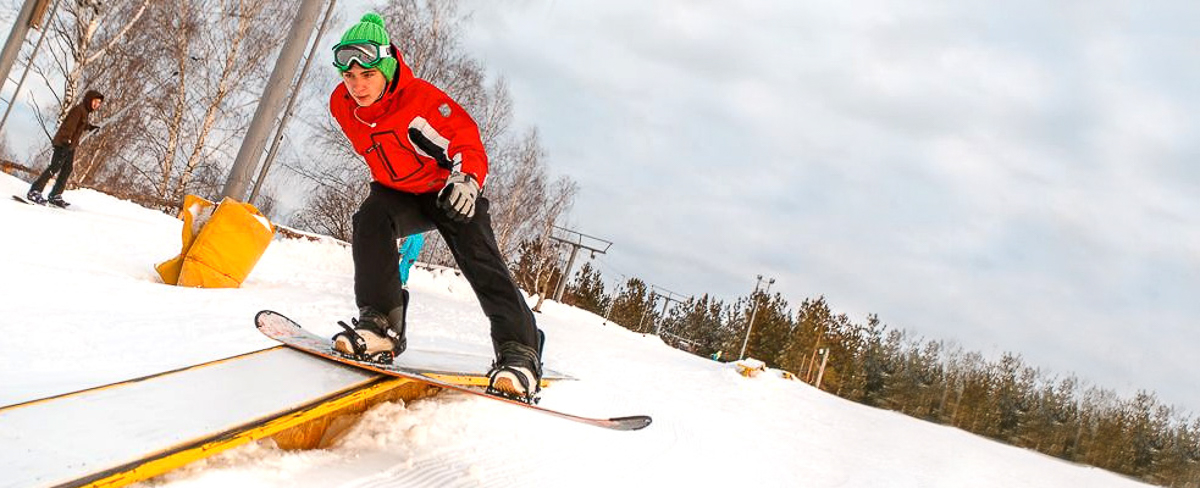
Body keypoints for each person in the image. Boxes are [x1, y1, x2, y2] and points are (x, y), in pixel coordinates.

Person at [327, 13, 543, 402]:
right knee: (371, 221)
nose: (358, 86)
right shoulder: (342, 105)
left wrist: (468, 179)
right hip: (398, 193)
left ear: (387, 67)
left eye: (368, 76)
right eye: (349, 77)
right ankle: (381, 327)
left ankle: (520, 351)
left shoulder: (419, 102)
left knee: (480, 257)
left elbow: (464, 140)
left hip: (448, 190)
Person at [26, 90, 104, 207]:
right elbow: (69, 127)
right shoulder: (79, 110)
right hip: (64, 144)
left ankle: (55, 195)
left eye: (99, 103)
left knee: (67, 169)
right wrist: (66, 141)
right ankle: (34, 191)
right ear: (89, 99)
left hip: (70, 146)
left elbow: (81, 125)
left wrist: (90, 127)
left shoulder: (85, 112)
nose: (97, 105)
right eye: (95, 102)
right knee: (54, 167)